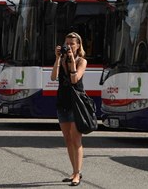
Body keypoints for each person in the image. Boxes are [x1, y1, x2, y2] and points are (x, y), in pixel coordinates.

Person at [50, 32, 88, 186]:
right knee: (67, 139)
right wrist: (58, 58)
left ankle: (78, 174)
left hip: (75, 104)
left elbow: (74, 79)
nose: (69, 46)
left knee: (76, 138)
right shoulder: (62, 59)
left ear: (78, 45)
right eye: (67, 43)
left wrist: (72, 61)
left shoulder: (81, 61)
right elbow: (53, 77)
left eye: (73, 43)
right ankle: (73, 171)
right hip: (62, 102)